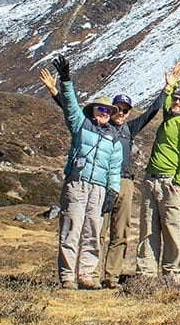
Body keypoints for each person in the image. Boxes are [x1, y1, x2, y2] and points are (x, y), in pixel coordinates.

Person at [44, 59, 180, 288]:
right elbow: (72, 112)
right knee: (91, 229)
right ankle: (87, 275)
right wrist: (58, 91)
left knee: (117, 232)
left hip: (121, 182)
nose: (121, 114)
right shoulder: (91, 126)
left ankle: (111, 277)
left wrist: (173, 86)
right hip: (93, 183)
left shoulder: (127, 129)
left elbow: (156, 109)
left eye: (125, 110)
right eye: (116, 109)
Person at [39, 55, 123, 290]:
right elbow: (70, 105)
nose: (105, 112)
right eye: (101, 108)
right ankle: (67, 276)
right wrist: (66, 80)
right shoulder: (80, 124)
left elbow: (114, 168)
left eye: (109, 109)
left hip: (98, 188)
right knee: (72, 227)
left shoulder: (113, 138)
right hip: (77, 183)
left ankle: (87, 274)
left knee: (93, 230)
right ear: (93, 109)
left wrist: (112, 192)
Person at [136, 63, 180, 281]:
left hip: (169, 181)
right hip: (151, 180)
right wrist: (172, 83)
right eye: (175, 100)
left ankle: (172, 274)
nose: (177, 103)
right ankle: (146, 273)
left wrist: (179, 181)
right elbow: (168, 99)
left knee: (172, 228)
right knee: (148, 228)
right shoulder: (168, 118)